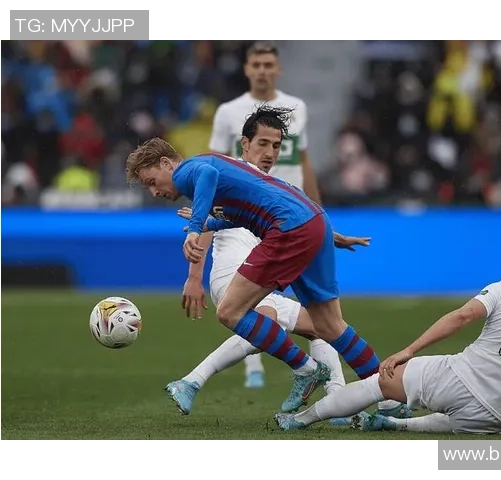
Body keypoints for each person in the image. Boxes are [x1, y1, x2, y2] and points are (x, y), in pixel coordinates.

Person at [124, 107, 399, 416]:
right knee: (330, 326)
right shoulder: (233, 173)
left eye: (151, 181)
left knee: (230, 310)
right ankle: (392, 400)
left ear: (166, 163)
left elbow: (207, 176)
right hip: (314, 222)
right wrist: (212, 222)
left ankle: (306, 369)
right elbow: (250, 211)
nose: (154, 191)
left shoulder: (188, 170)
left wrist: (196, 227)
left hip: (288, 231)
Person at [275, 241, 501, 436]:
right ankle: (395, 425)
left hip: (458, 378)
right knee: (478, 421)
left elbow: (463, 316)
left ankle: (300, 420)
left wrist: (409, 350)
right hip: (498, 413)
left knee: (378, 384)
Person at [209, 41, 322, 387]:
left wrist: (319, 213)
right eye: (256, 64)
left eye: (268, 64)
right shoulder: (228, 112)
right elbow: (213, 169)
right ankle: (254, 365)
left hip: (293, 218)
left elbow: (303, 161)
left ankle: (329, 383)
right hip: (249, 218)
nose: (262, 71)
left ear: (278, 69)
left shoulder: (297, 108)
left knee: (316, 305)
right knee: (250, 294)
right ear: (247, 69)